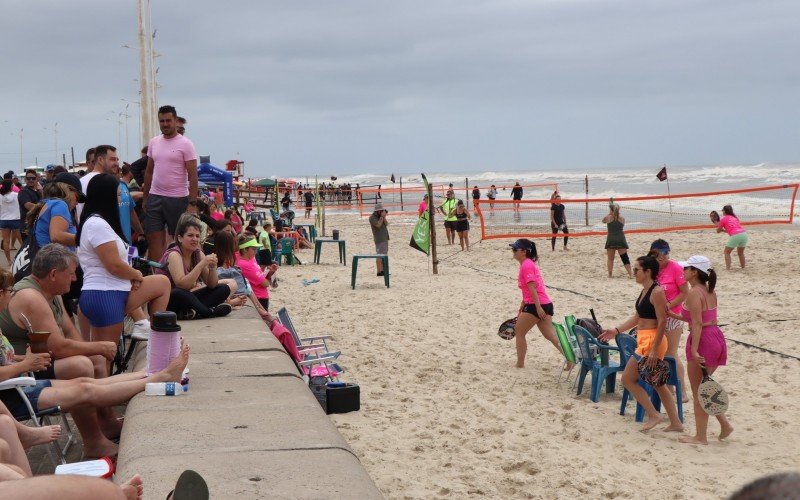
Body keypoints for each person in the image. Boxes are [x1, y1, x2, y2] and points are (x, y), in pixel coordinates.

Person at [0, 244, 126, 457]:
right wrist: (99, 346)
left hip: (32, 362)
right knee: (81, 364)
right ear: (53, 274)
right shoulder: (31, 296)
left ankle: (106, 421)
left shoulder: (52, 292)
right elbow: (57, 347)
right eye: (70, 274)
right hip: (24, 368)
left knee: (92, 358)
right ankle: (93, 441)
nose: (75, 279)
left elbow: (69, 330)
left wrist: (92, 350)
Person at [77, 174, 171, 363]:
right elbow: (113, 265)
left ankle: (149, 329)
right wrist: (135, 274)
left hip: (103, 292)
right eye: (118, 194)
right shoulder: (98, 225)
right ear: (107, 195)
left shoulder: (94, 222)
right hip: (106, 295)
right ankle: (148, 330)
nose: (121, 199)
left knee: (162, 283)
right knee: (103, 361)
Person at [599, 255, 683, 432]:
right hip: (645, 339)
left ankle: (654, 414)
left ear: (648, 272)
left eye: (637, 269)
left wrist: (653, 350)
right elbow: (638, 317)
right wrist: (616, 330)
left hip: (652, 341)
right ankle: (675, 423)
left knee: (628, 379)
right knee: (658, 384)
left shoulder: (657, 292)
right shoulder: (645, 290)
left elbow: (662, 322)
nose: (634, 272)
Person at [673, 255, 733, 444]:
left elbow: (698, 323)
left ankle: (701, 436)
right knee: (704, 387)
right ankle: (724, 424)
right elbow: (703, 319)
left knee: (699, 391)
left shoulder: (694, 293)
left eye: (686, 268)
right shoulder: (709, 290)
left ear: (693, 272)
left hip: (704, 340)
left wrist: (695, 350)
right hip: (715, 336)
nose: (683, 271)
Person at [143, 104, 199, 265]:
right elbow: (148, 172)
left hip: (177, 198)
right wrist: (146, 197)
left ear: (175, 121)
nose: (165, 124)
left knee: (181, 241)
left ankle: (182, 273)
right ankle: (157, 273)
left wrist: (192, 203)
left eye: (168, 120)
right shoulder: (154, 142)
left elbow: (193, 175)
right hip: (155, 196)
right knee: (153, 238)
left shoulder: (186, 144)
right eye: (162, 121)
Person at [155, 215, 233, 319]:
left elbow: (212, 285)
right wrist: (201, 264)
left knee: (223, 289)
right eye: (190, 235)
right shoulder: (174, 254)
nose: (195, 239)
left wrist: (212, 268)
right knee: (180, 293)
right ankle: (209, 312)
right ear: (180, 238)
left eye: (197, 236)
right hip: (168, 299)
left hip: (187, 297)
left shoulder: (198, 253)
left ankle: (190, 312)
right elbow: (182, 285)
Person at [509, 239, 566, 368]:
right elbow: (529, 290)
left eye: (515, 249)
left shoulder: (527, 265)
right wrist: (522, 304)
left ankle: (519, 364)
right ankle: (570, 359)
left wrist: (538, 308)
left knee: (519, 332)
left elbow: (533, 288)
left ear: (524, 251)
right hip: (543, 303)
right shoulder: (527, 264)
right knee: (550, 335)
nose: (513, 252)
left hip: (537, 305)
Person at [649, 239, 689, 402]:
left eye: (665, 253)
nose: (662, 257)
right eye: (657, 254)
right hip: (656, 317)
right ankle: (671, 390)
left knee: (671, 354)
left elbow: (685, 292)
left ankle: (683, 392)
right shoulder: (652, 268)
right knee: (661, 354)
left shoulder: (675, 268)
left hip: (673, 316)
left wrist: (669, 305)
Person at [235, 234, 278, 311]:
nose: (256, 252)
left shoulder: (249, 258)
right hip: (259, 297)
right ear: (245, 250)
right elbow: (266, 283)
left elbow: (260, 273)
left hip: (260, 295)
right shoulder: (245, 264)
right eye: (254, 249)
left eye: (256, 249)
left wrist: (270, 272)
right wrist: (267, 276)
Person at [602, 203, 633, 278]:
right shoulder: (622, 218)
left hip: (611, 239)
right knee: (625, 258)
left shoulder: (608, 218)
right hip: (620, 239)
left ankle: (610, 275)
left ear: (611, 210)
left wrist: (609, 214)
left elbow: (603, 221)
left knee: (610, 259)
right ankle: (631, 274)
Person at [716, 204, 747, 270]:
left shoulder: (723, 219)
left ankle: (728, 269)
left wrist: (718, 228)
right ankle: (743, 267)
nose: (722, 212)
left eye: (722, 210)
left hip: (736, 235)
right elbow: (732, 229)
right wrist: (723, 230)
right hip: (744, 234)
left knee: (726, 252)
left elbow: (718, 231)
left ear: (725, 211)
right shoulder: (735, 218)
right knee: (740, 253)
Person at [17, 169, 42, 244]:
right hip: (27, 227)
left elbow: (45, 199)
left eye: (33, 178)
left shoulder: (37, 191)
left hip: (36, 226)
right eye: (28, 178)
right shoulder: (23, 191)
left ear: (36, 179)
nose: (31, 180)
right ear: (25, 179)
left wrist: (41, 190)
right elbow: (29, 206)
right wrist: (45, 207)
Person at [0, 179, 21, 264]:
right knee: (21, 240)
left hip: (4, 220)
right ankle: (25, 257)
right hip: (15, 219)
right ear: (10, 186)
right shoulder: (16, 195)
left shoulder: (0, 196)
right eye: (12, 185)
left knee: (5, 241)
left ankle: (9, 261)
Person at [368, 203, 389, 276]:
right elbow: (378, 225)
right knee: (380, 255)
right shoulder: (372, 217)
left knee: (384, 254)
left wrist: (384, 217)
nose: (382, 212)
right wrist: (382, 217)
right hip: (379, 238)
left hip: (385, 237)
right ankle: (379, 271)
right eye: (381, 211)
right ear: (377, 211)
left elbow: (386, 224)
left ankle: (383, 271)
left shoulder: (381, 216)